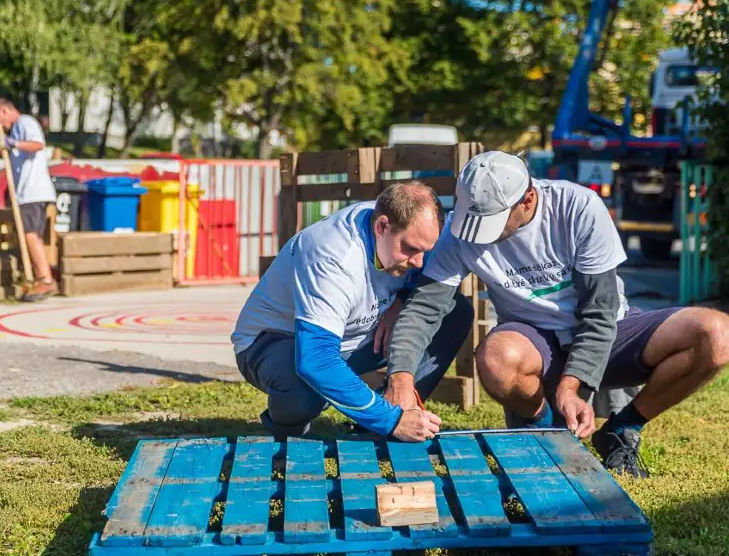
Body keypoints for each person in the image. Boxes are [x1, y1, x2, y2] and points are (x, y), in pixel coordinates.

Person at [389, 151, 729, 477]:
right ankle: (547, 432)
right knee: (495, 357)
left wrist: (572, 385)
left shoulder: (578, 208)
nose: (476, 234)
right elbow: (423, 308)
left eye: (490, 222)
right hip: (535, 344)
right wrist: (401, 378)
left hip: (610, 332)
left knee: (716, 334)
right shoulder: (460, 230)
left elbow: (600, 313)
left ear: (527, 200)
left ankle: (622, 428)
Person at [231, 181, 475, 441]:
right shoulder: (331, 256)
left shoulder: (405, 227)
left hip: (356, 335)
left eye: (425, 251)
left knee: (453, 311)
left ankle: (394, 408)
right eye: (411, 249)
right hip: (275, 342)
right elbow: (316, 361)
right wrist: (390, 421)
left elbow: (425, 289)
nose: (418, 262)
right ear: (382, 227)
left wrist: (402, 299)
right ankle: (289, 432)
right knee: (304, 387)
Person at [0, 97, 57, 301]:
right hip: (26, 192)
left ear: (4, 111)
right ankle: (40, 277)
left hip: (33, 191)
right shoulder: (17, 129)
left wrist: (13, 143)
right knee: (31, 236)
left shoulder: (25, 122)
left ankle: (45, 280)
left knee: (30, 235)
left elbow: (37, 144)